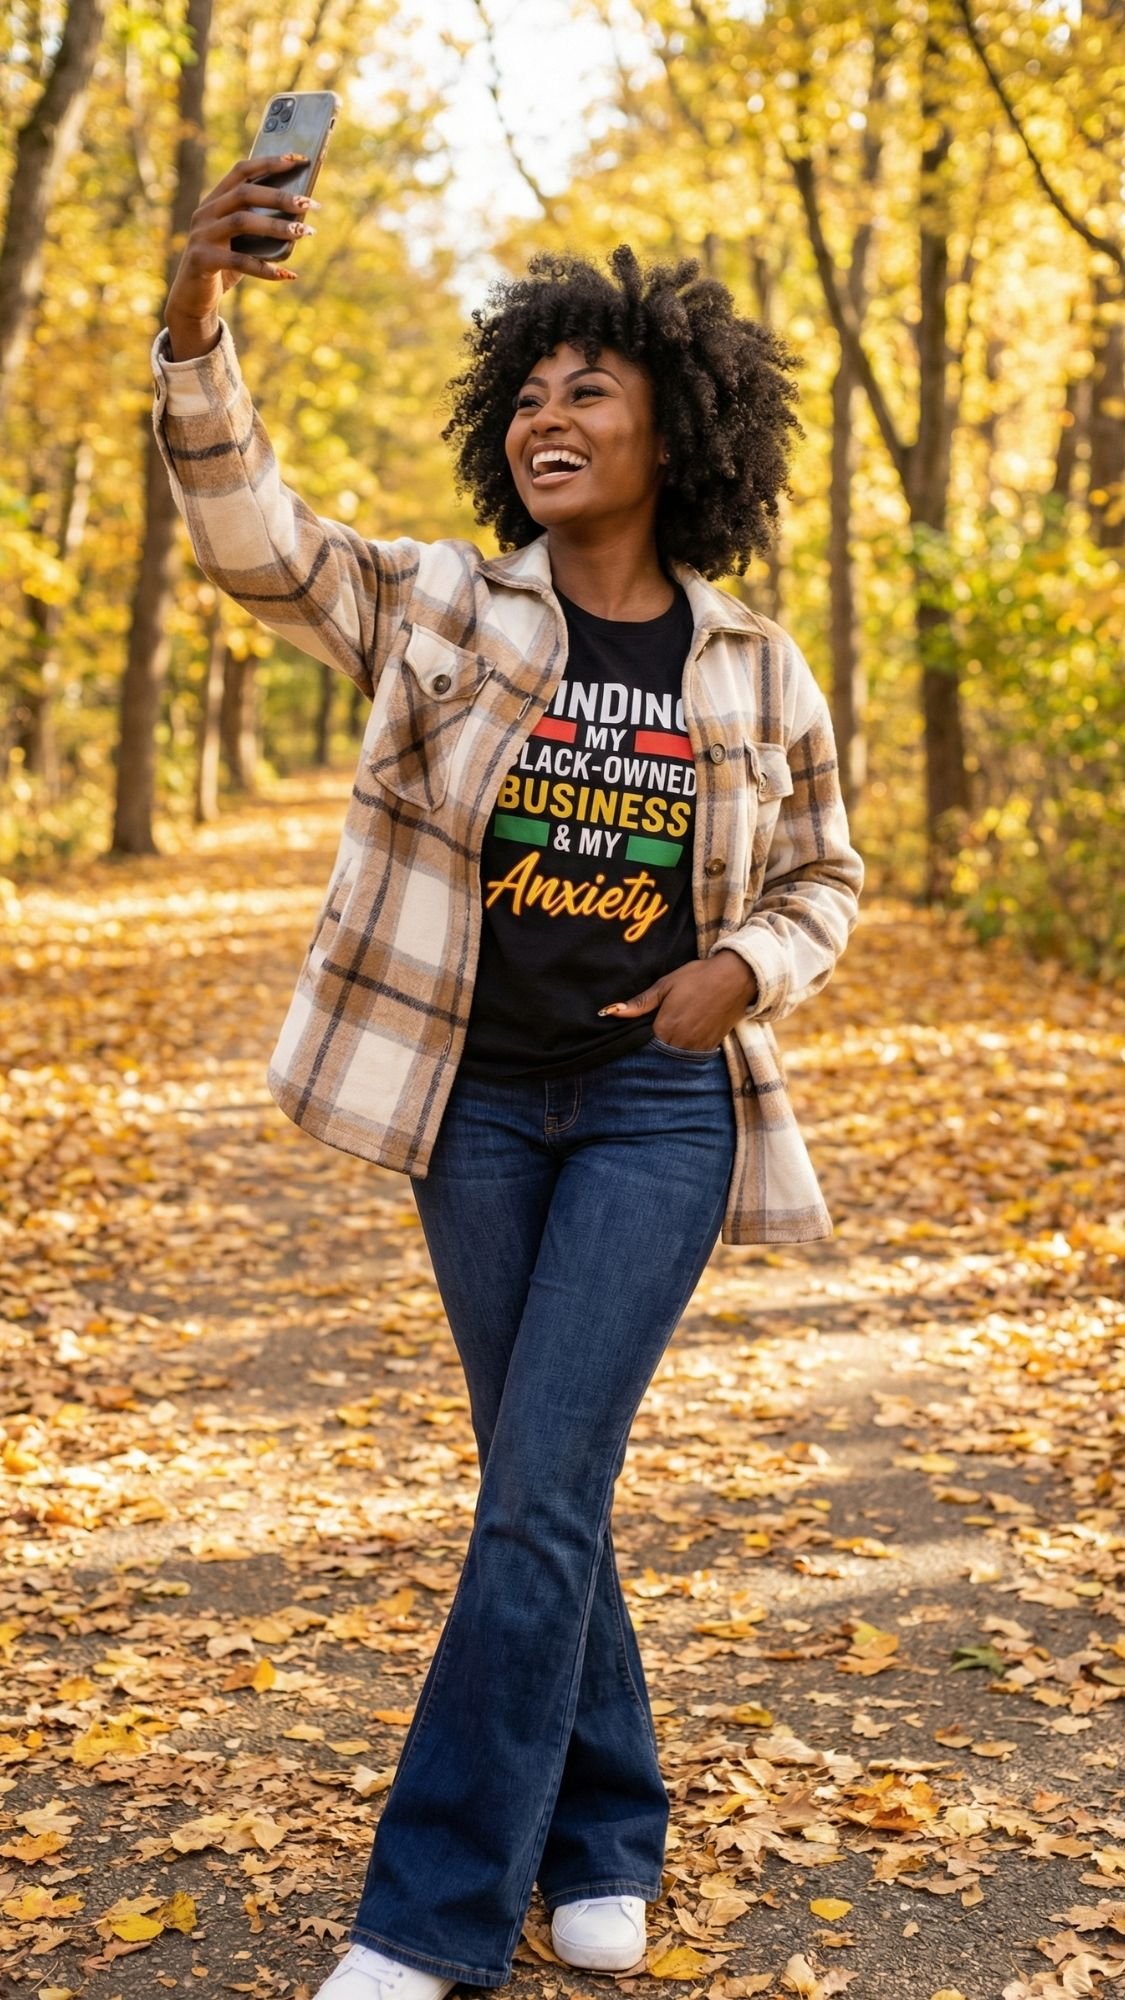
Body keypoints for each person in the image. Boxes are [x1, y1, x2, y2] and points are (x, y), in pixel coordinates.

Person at [152, 153, 864, 2000]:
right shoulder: (448, 609)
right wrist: (196, 322)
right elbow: (258, 543)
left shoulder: (752, 664)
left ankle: (429, 1919)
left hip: (651, 1115)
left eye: (590, 388)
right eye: (528, 394)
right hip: (468, 1106)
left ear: (675, 429)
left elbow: (824, 878)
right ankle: (607, 1826)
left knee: (540, 1488)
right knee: (536, 1485)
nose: (550, 413)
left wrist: (742, 966)